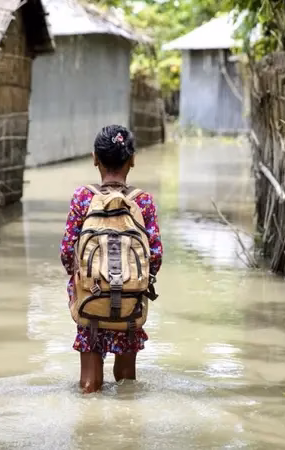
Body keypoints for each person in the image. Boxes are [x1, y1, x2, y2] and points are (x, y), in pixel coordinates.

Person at [60, 124, 163, 394]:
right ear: (132, 160)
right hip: (130, 302)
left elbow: (67, 252)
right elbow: (155, 256)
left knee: (89, 385)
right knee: (127, 384)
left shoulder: (83, 198)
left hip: (91, 298)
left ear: (95, 158)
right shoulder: (143, 201)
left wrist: (85, 279)